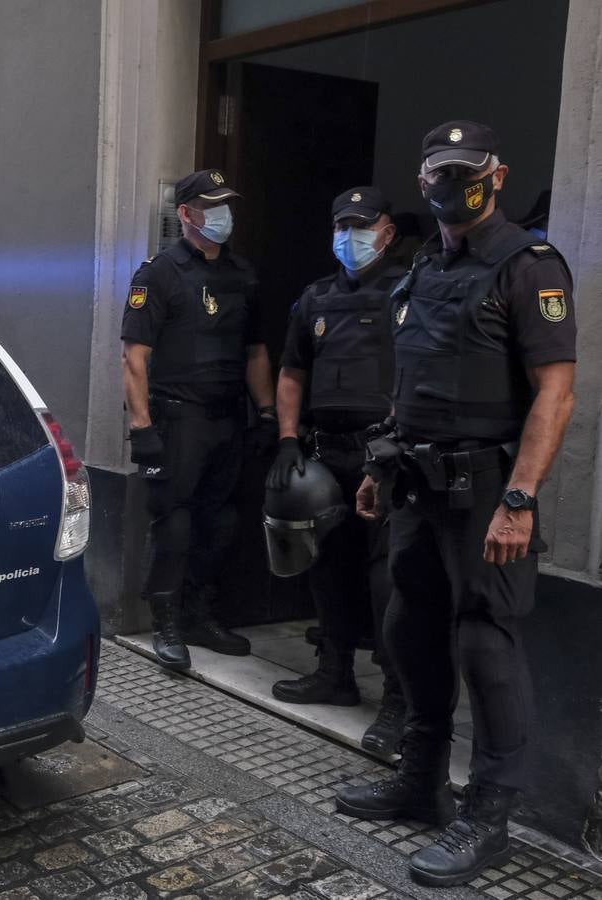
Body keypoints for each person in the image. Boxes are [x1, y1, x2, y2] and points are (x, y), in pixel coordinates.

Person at [335, 121, 577, 887]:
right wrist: (381, 461)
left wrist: (519, 498)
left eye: (466, 170)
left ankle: (489, 815)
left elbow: (555, 393)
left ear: (496, 176)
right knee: (409, 629)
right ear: (423, 178)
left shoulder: (525, 265)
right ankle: (421, 780)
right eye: (439, 170)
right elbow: (412, 386)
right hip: (414, 483)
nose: (451, 183)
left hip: (485, 494)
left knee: (483, 644)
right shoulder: (419, 270)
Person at [266, 186, 405, 753]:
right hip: (327, 454)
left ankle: (399, 699)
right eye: (342, 226)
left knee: (388, 580)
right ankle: (336, 673)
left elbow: (418, 373)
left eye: (363, 225)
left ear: (388, 231)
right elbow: (292, 373)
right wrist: (287, 439)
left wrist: (394, 445)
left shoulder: (408, 290)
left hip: (387, 456)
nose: (351, 236)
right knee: (328, 565)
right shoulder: (316, 298)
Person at [121, 168, 276, 670]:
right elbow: (133, 358)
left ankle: (198, 611)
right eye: (211, 206)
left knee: (222, 521)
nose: (222, 214)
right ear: (186, 214)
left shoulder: (242, 274)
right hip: (178, 419)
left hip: (228, 417)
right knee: (174, 523)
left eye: (226, 204)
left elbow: (255, 351)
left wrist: (268, 412)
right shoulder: (159, 273)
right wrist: (141, 429)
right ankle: (165, 621)